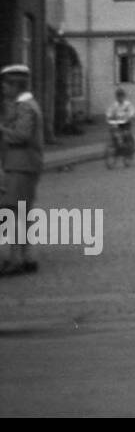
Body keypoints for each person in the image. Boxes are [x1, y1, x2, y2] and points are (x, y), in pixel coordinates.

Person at [0, 64, 44, 276]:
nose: (3, 89)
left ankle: (16, 260)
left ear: (16, 85)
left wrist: (1, 130)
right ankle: (27, 258)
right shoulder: (22, 105)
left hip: (21, 165)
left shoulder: (25, 107)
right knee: (22, 213)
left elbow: (21, 136)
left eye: (6, 85)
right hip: (24, 164)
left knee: (12, 212)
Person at [105, 88, 135, 163]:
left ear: (124, 96)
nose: (119, 98)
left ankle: (129, 152)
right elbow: (109, 111)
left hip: (125, 123)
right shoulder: (114, 105)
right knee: (114, 134)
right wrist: (108, 116)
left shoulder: (127, 104)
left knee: (126, 135)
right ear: (116, 97)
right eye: (118, 96)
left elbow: (132, 111)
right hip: (116, 123)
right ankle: (116, 148)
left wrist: (130, 115)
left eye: (121, 96)